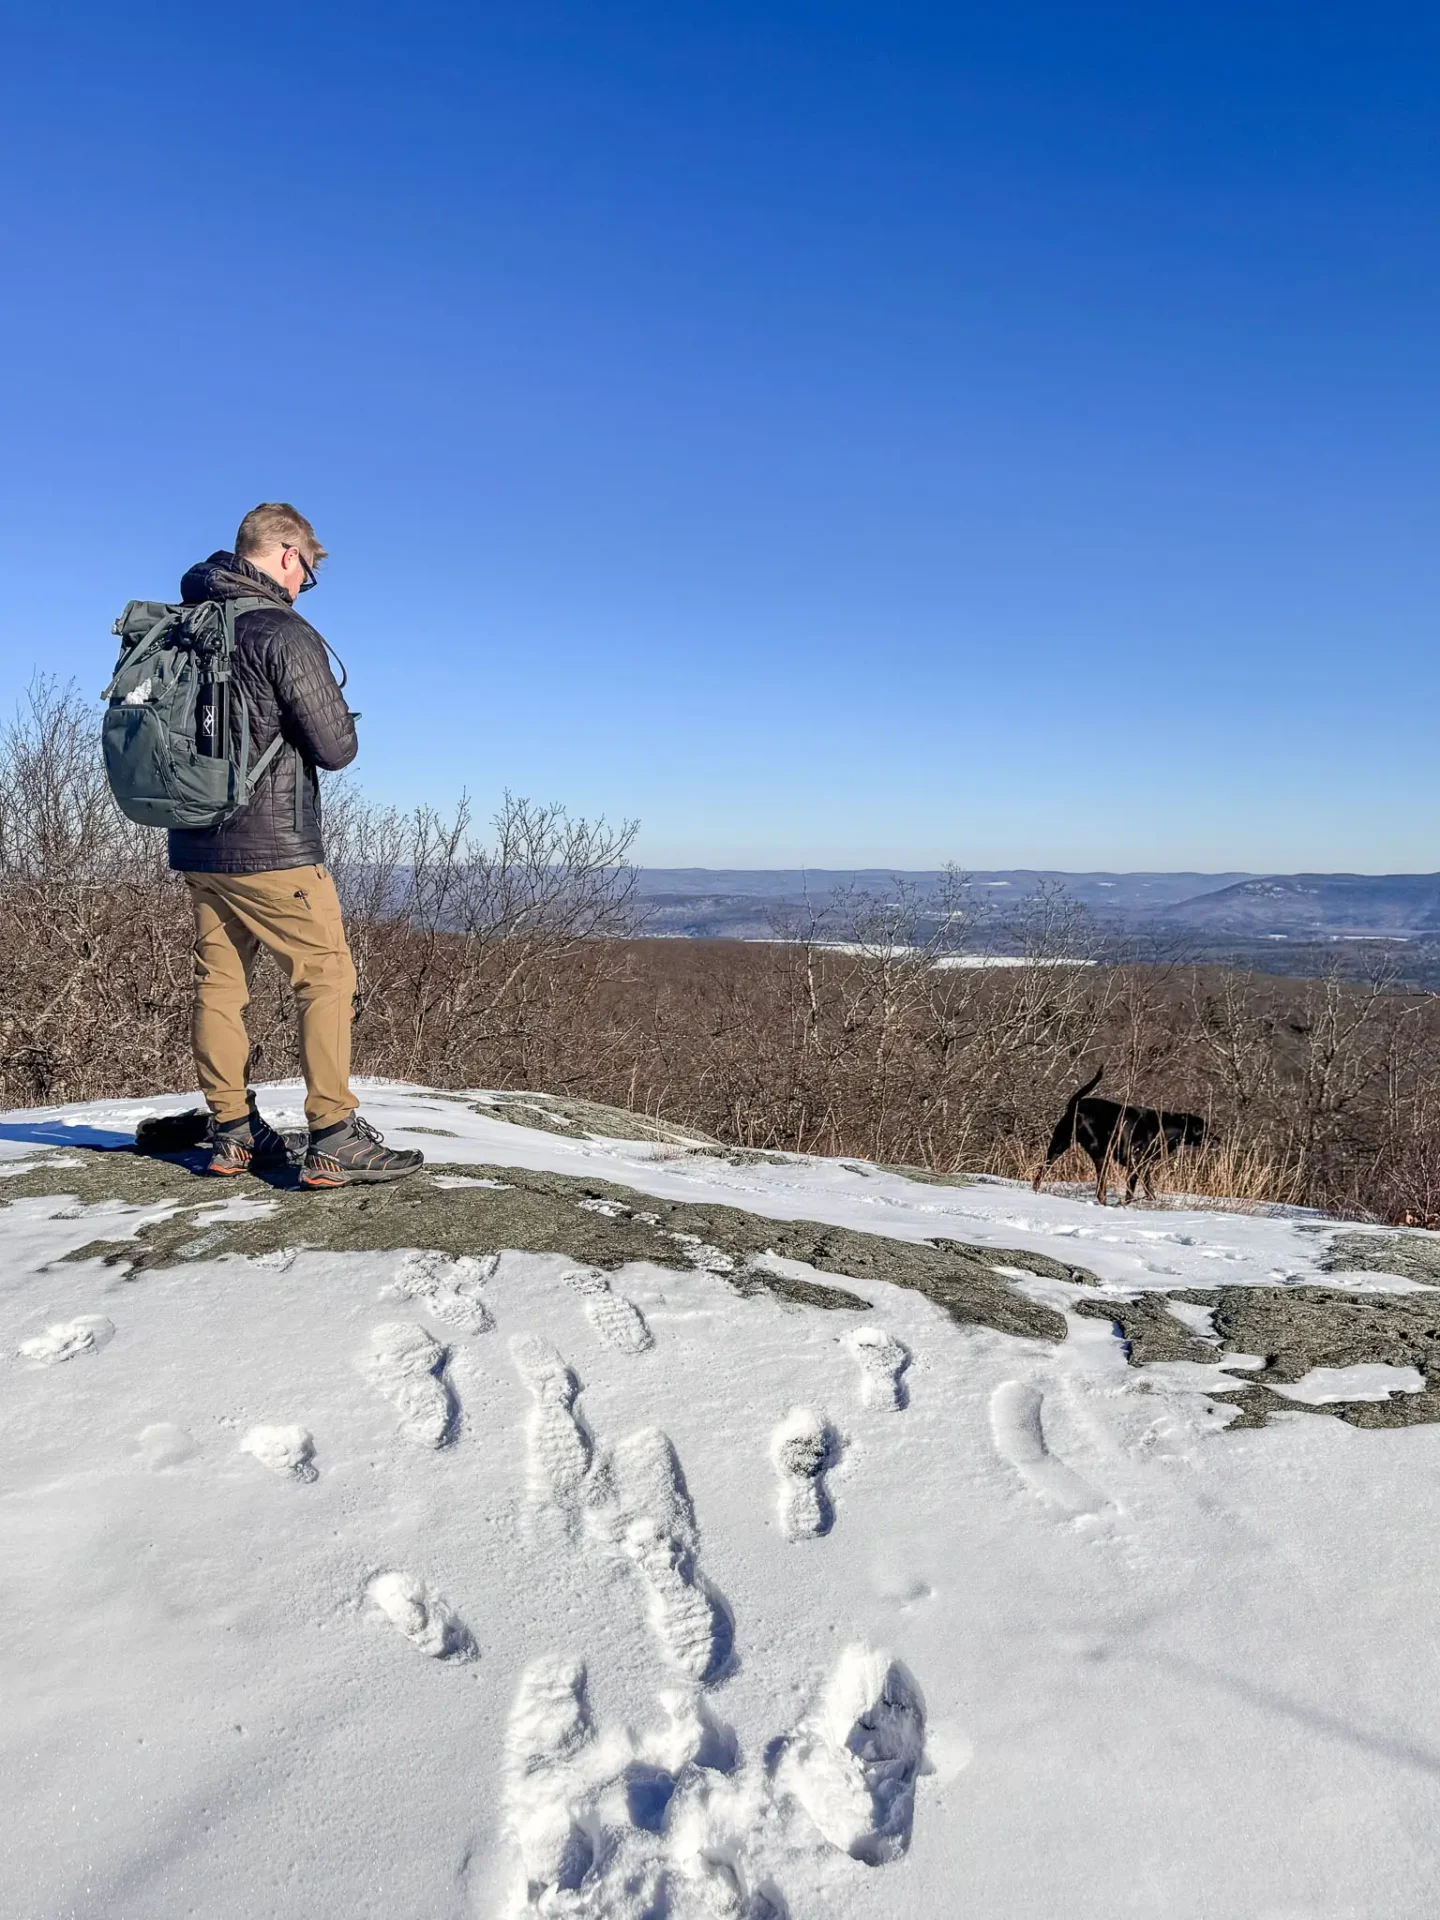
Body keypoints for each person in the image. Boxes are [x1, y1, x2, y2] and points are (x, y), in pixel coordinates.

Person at [170, 503, 422, 1187]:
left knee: (219, 987)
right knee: (326, 978)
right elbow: (336, 748)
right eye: (306, 573)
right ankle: (335, 1133)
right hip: (273, 846)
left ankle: (231, 1131)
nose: (301, 585)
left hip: (197, 842)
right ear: (286, 554)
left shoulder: (184, 623)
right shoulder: (278, 629)